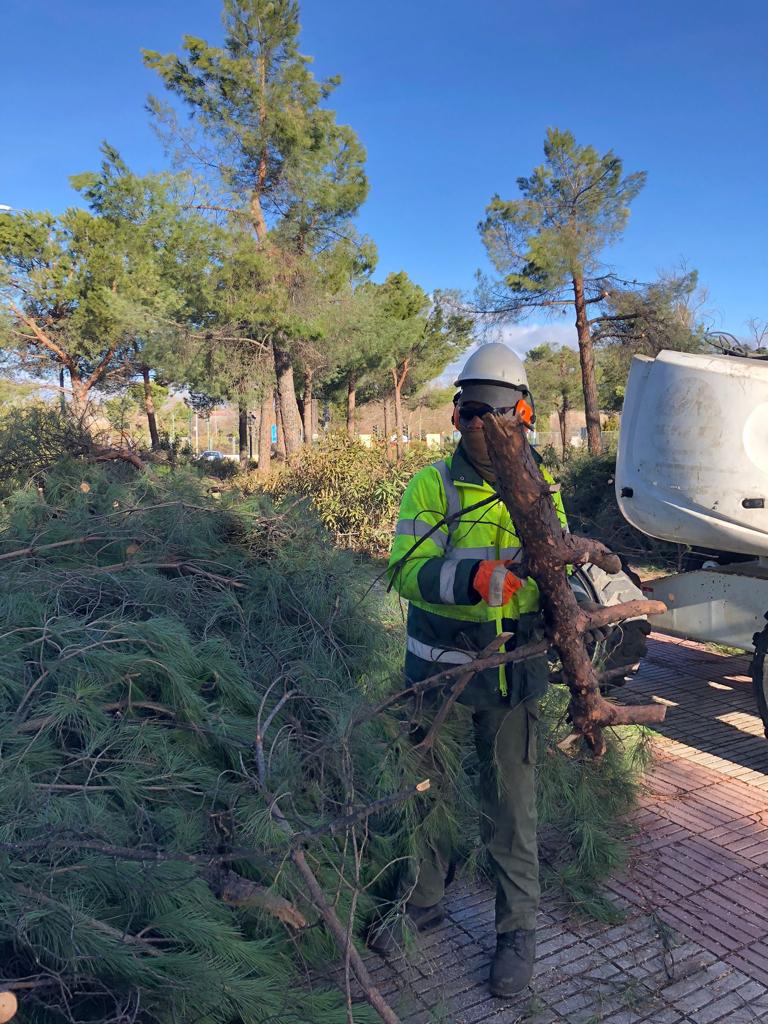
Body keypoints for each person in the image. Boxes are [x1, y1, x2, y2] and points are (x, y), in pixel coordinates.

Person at [374, 342, 646, 997]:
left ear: (522, 415)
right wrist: (473, 577)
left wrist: (561, 602)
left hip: (510, 681)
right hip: (436, 678)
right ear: (457, 415)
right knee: (425, 799)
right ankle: (423, 900)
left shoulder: (535, 493)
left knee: (510, 812)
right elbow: (402, 571)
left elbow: (549, 573)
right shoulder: (430, 486)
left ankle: (516, 932)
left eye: (494, 415)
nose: (482, 428)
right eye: (471, 413)